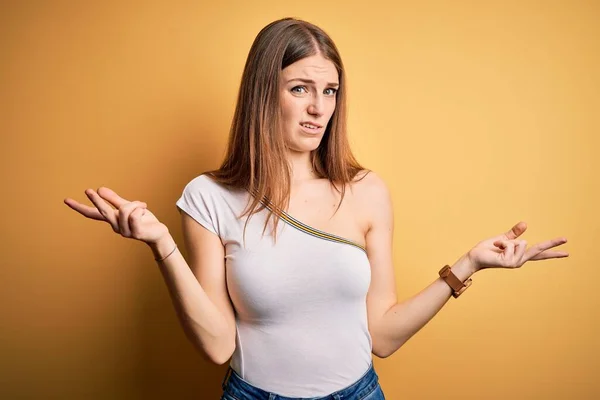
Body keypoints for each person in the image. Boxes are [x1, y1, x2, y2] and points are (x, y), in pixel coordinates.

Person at [64, 17, 569, 400]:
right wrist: (161, 245)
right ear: (265, 94)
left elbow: (383, 336)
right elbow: (218, 345)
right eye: (300, 88)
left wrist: (469, 264)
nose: (319, 107)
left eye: (329, 91)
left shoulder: (367, 190)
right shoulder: (208, 197)